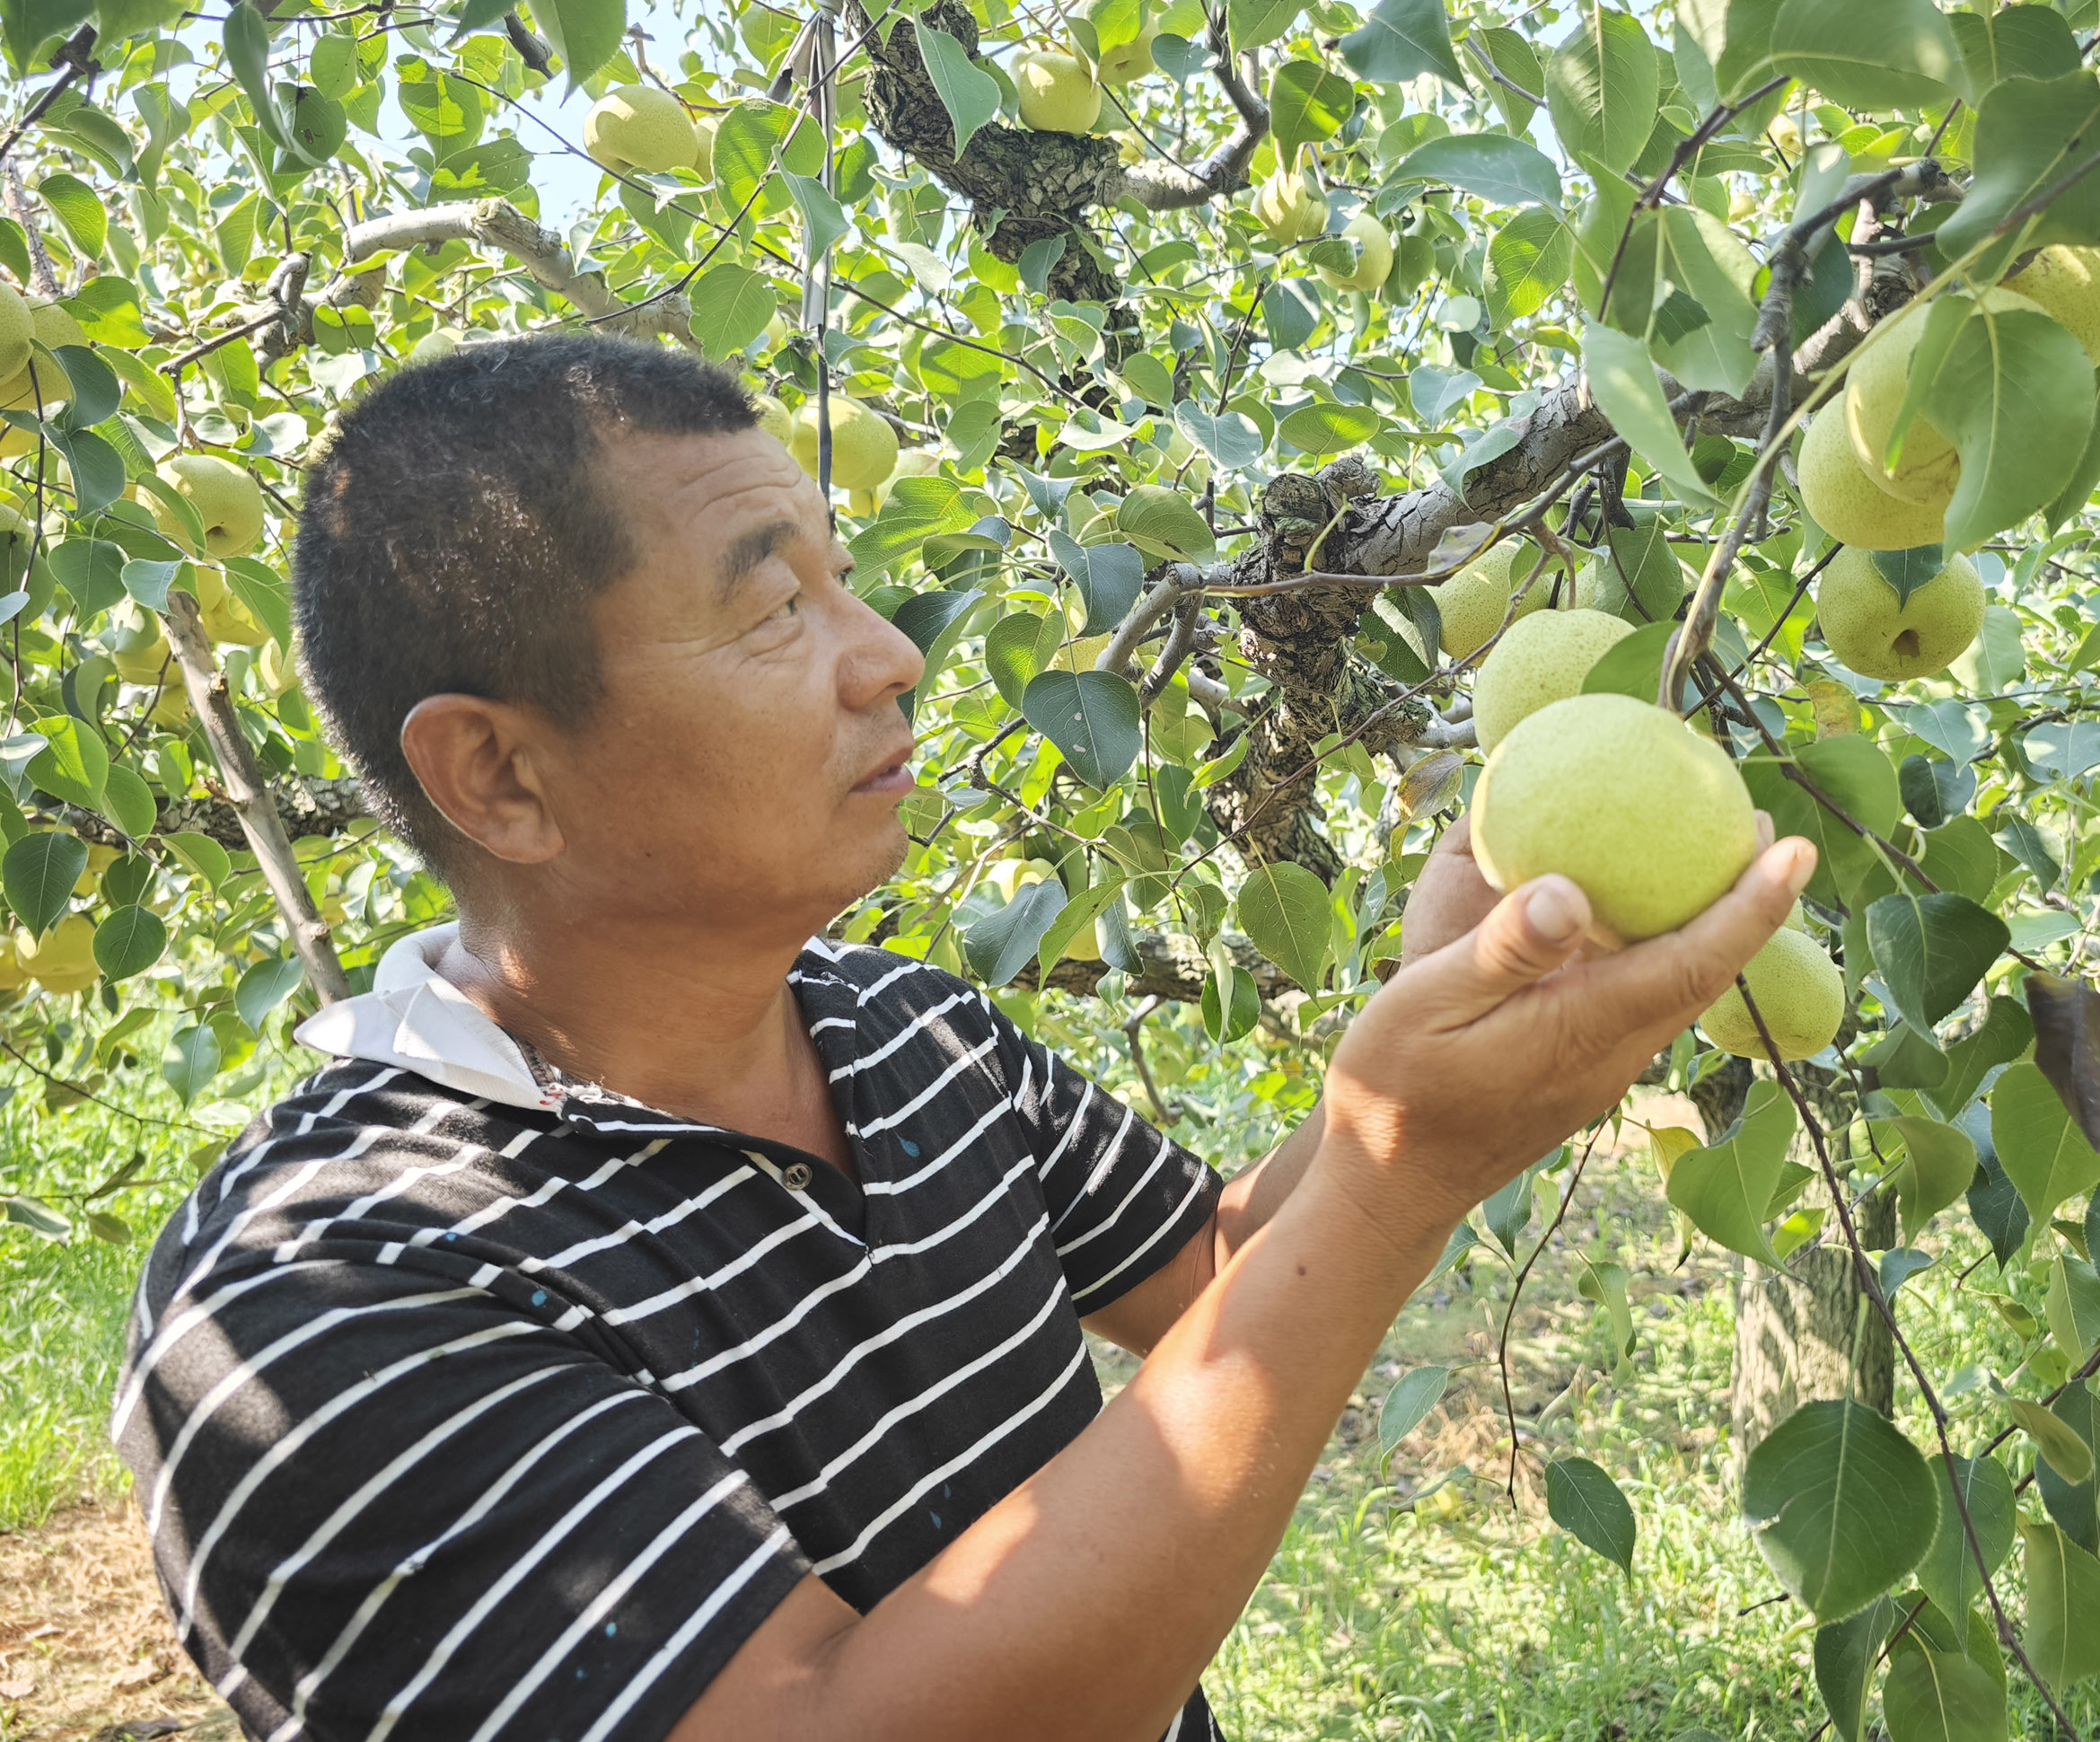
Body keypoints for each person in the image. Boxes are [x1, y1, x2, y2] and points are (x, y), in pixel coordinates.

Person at [115, 331, 1810, 1742]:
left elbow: (1216, 1279)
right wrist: (1400, 1175)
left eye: (846, 585)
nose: (892, 658)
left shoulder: (903, 1029)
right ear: (498, 772)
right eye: (775, 611)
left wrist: (1418, 1043)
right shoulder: (311, 1306)